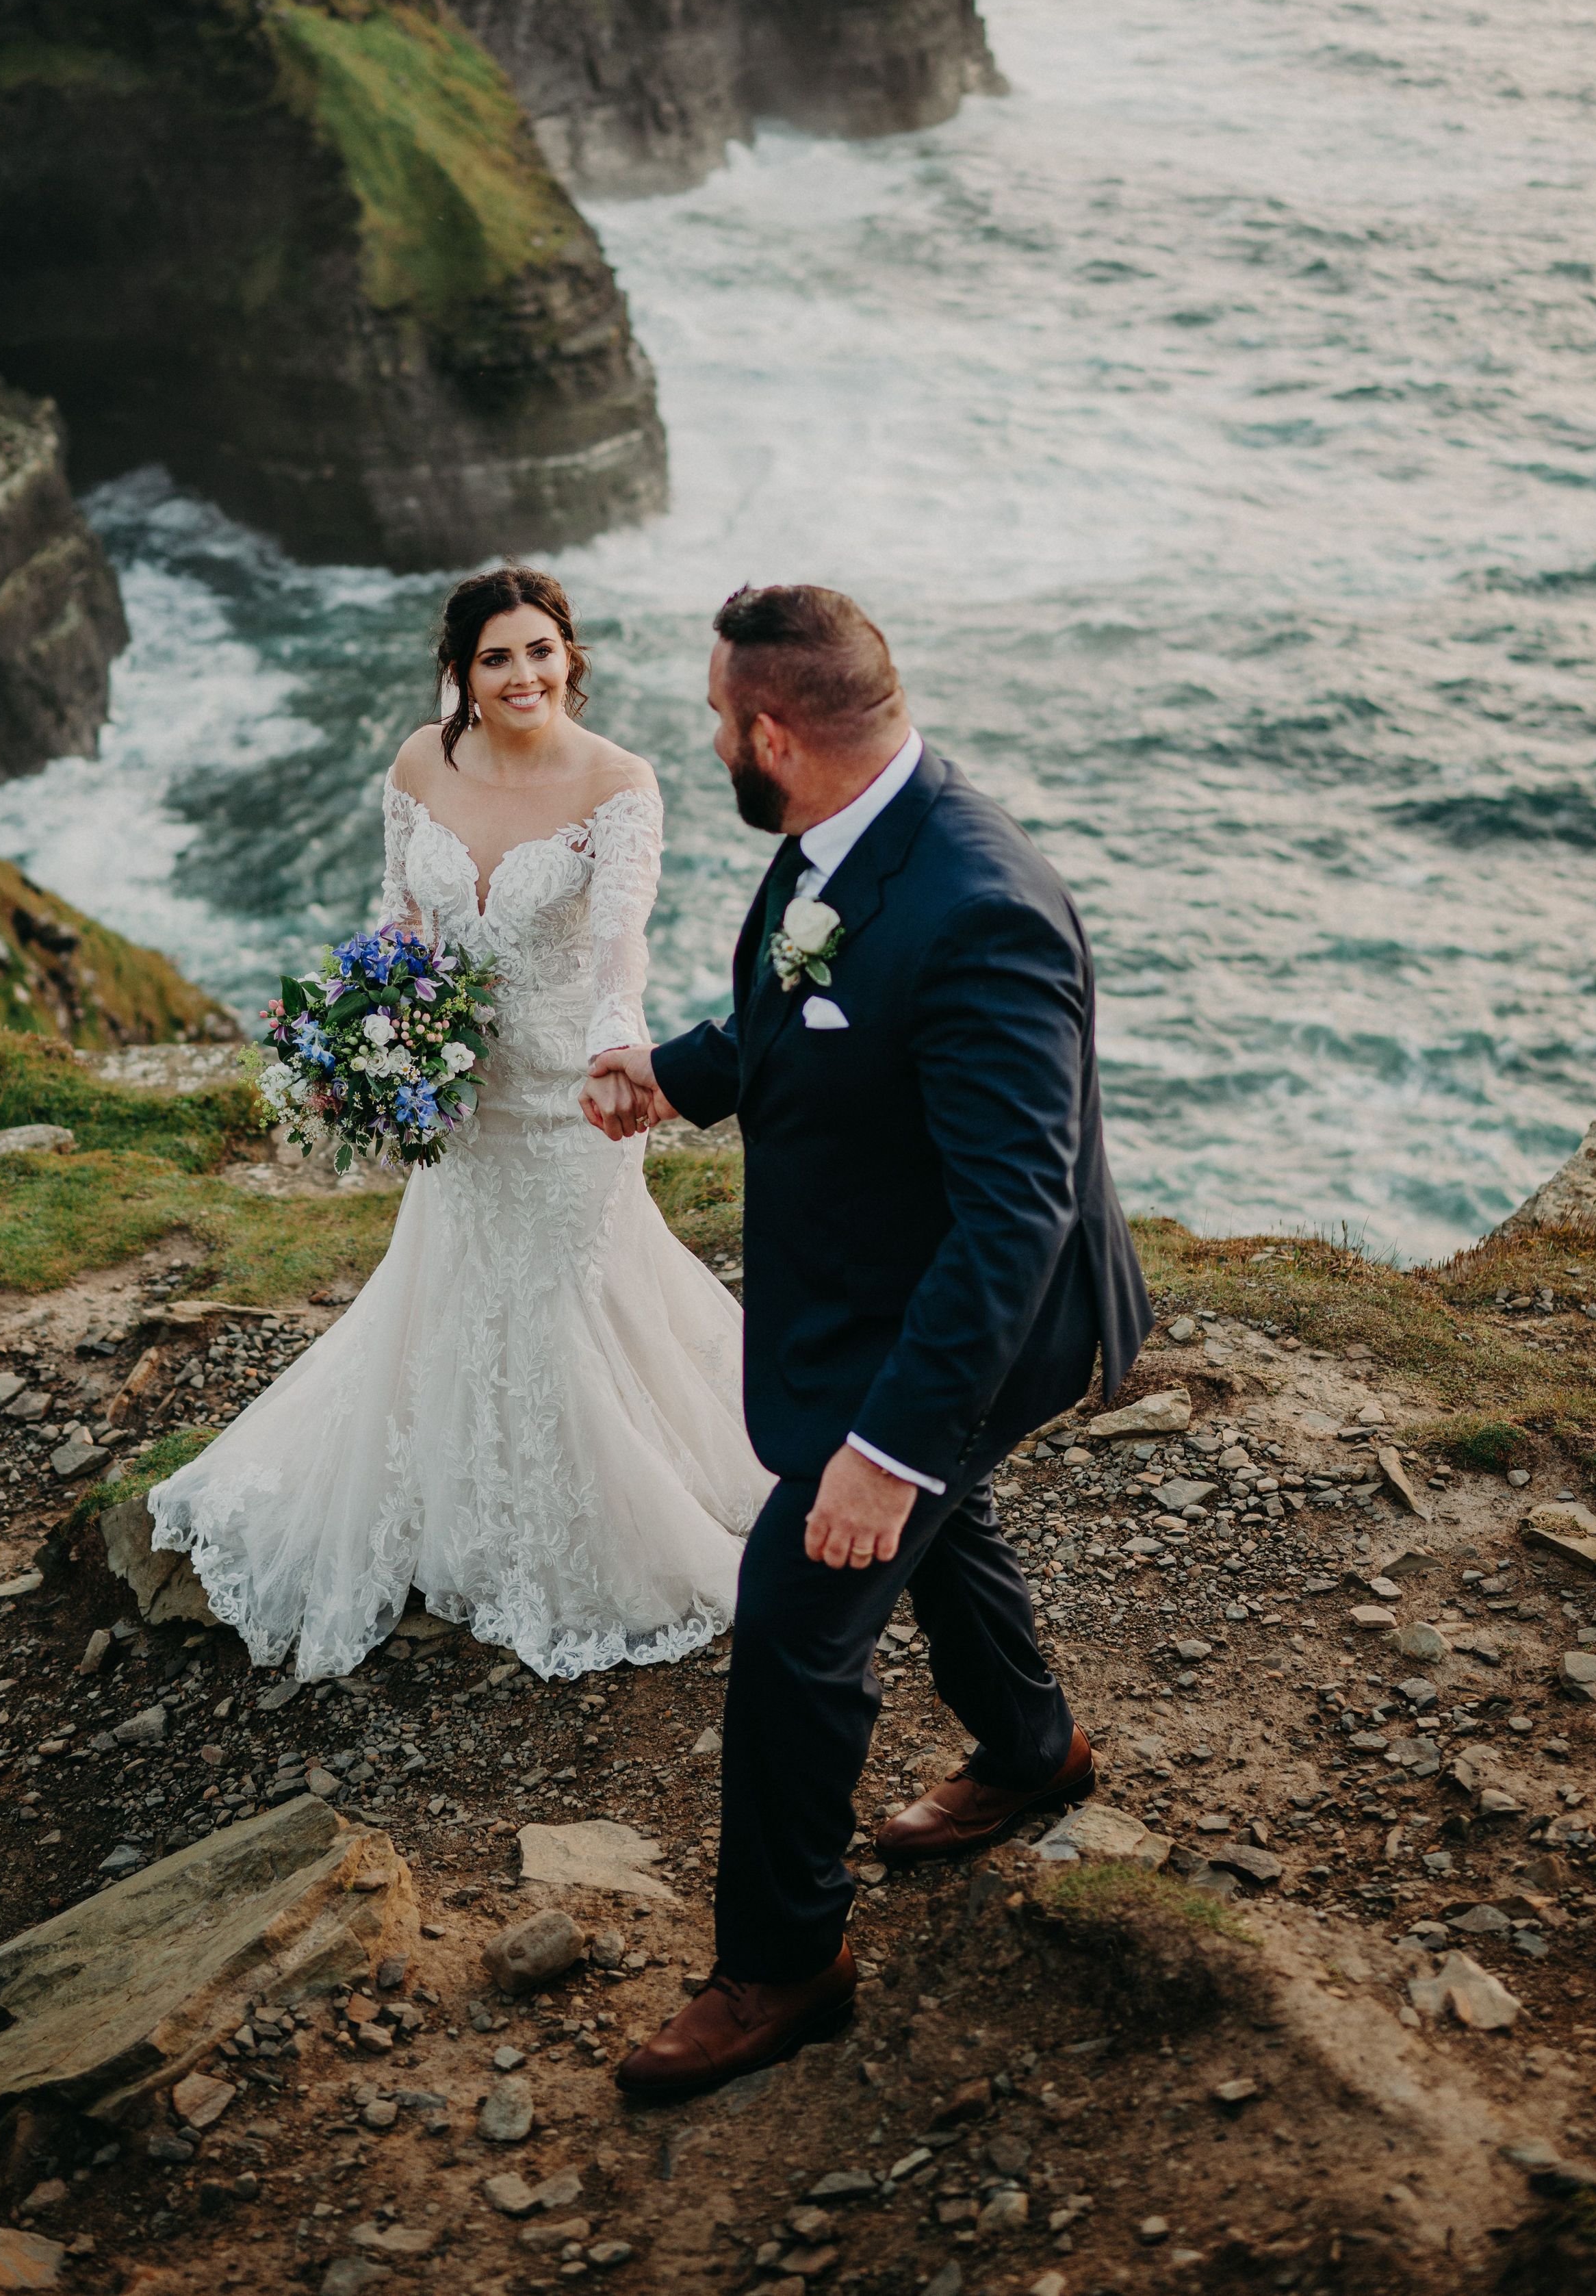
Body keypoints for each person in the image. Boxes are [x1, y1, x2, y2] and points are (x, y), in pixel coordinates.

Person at [582, 583, 1151, 2100]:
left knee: (796, 1621)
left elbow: (1016, 1221)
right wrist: (679, 1074)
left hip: (970, 1331)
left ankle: (785, 1962)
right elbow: (802, 1014)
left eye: (717, 717)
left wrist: (891, 1454)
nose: (708, 737)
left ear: (773, 730)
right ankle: (1034, 1755)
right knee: (931, 1536)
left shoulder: (976, 908)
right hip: (875, 1301)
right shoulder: (832, 847)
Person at [149, 565, 769, 1684]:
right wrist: (365, 1037)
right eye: (497, 658)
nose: (524, 675)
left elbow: (622, 941)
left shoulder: (620, 782)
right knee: (461, 1289)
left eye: (541, 651)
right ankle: (460, 1509)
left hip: (570, 1097)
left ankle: (595, 1539)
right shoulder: (418, 762)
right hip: (458, 1097)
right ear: (463, 672)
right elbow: (397, 918)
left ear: (569, 658)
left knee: (559, 1301)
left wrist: (619, 1054)